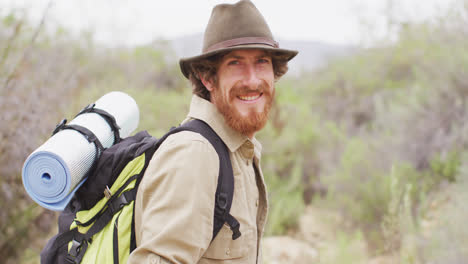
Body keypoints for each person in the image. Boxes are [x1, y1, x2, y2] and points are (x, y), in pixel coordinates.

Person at [127, 0, 297, 263]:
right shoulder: (195, 154)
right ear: (208, 78)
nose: (252, 80)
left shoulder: (239, 149)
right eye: (235, 63)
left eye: (262, 62)